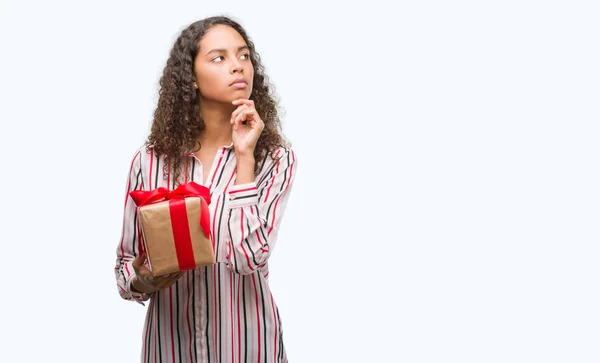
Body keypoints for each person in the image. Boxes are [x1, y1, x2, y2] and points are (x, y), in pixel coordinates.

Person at [114, 15, 297, 363]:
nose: (238, 67)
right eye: (219, 58)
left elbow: (249, 259)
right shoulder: (149, 162)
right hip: (170, 352)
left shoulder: (274, 159)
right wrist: (144, 279)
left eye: (244, 56)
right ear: (191, 78)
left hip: (247, 349)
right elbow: (124, 271)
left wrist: (244, 156)